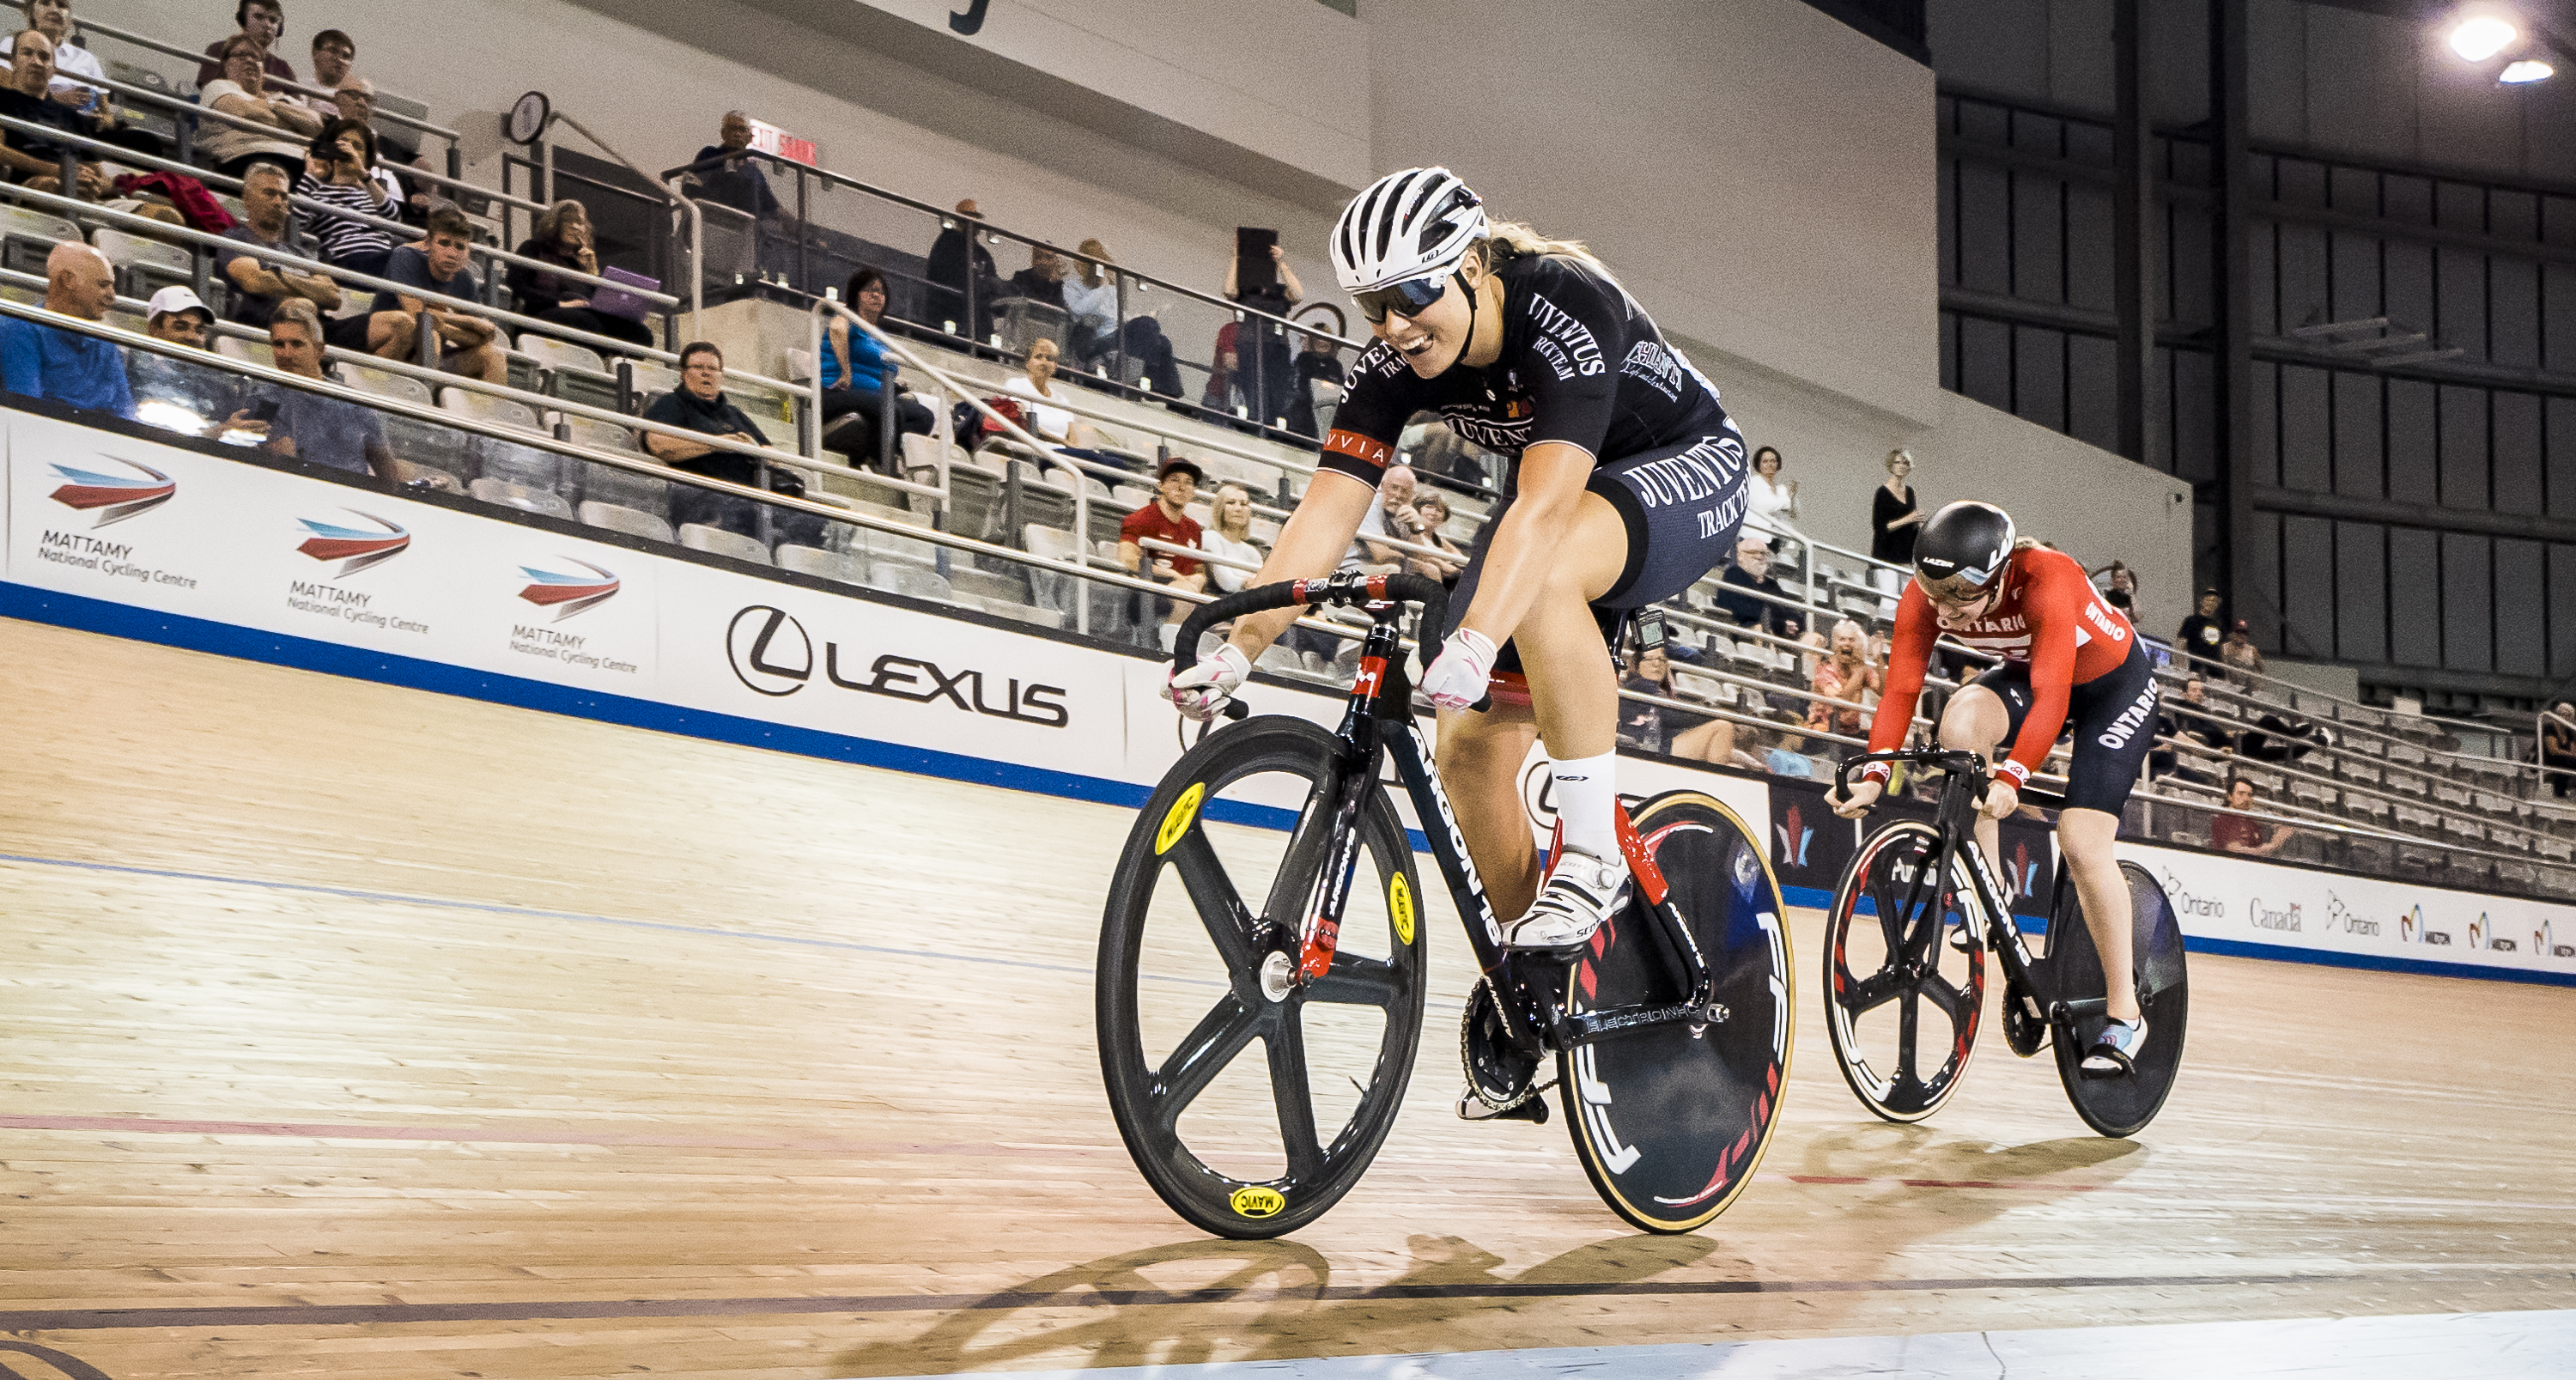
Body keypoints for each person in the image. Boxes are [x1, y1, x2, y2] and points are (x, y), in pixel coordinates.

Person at [1166, 166, 1752, 957]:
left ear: (1473, 267)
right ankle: (1530, 983)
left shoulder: (1565, 304)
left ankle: (1589, 853)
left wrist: (1476, 637)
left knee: (1538, 580)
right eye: (1373, 305)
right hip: (1565, 493)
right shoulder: (1389, 367)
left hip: (1682, 463)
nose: (1394, 324)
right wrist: (1242, 646)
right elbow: (1326, 512)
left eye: (1412, 294)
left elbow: (1542, 512)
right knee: (1466, 754)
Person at [1826, 502, 2164, 1078]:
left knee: (2081, 842)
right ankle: (1992, 894)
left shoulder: (2046, 578)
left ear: (2001, 575)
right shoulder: (1929, 594)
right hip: (2034, 671)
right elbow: (1902, 692)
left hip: (2113, 687)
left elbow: (2054, 697)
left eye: (1959, 601)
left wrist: (2014, 776)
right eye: (1935, 597)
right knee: (1959, 726)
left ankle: (2126, 1014)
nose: (1944, 611)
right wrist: (1875, 774)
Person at [641, 341, 809, 540]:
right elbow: (658, 444)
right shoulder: (671, 404)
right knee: (745, 512)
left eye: (712, 368)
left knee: (817, 523)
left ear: (721, 376)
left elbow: (769, 454)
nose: (706, 373)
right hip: (701, 496)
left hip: (750, 498)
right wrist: (720, 443)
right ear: (683, 373)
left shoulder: (734, 414)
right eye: (698, 367)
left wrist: (753, 449)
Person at [240, 297, 394, 477]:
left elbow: (387, 471)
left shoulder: (353, 403)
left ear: (319, 350)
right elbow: (280, 463)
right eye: (279, 344)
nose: (286, 353)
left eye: (297, 344)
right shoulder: (262, 399)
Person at [369, 203, 505, 384]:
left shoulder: (464, 277)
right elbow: (418, 318)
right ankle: (423, 406)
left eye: (459, 247)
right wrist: (460, 324)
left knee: (494, 355)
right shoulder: (405, 257)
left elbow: (484, 334)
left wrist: (443, 325)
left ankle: (490, 412)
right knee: (429, 336)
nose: (452, 253)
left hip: (436, 355)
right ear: (428, 243)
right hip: (394, 348)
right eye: (444, 243)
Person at [816, 265, 933, 469]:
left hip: (874, 399)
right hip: (835, 392)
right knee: (891, 410)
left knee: (924, 416)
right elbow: (836, 330)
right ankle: (882, 464)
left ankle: (875, 455)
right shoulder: (847, 318)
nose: (876, 296)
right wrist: (845, 371)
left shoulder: (880, 335)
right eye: (870, 290)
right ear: (856, 295)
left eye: (881, 292)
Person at [0, 240, 131, 416]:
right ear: (68, 280)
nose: (111, 296)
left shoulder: (105, 341)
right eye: (103, 285)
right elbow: (26, 409)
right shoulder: (21, 329)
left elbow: (126, 409)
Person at [505, 198, 653, 350]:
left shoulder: (580, 264)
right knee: (589, 323)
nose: (575, 227)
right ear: (555, 224)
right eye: (569, 221)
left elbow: (598, 303)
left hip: (585, 316)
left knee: (640, 333)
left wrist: (593, 273)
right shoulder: (533, 248)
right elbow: (517, 286)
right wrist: (559, 303)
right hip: (541, 313)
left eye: (580, 223)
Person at [197, 33, 321, 179]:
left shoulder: (282, 98)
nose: (250, 60)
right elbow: (244, 113)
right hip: (249, 158)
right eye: (241, 55)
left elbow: (316, 127)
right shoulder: (218, 86)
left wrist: (274, 105)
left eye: (256, 57)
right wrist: (295, 125)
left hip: (304, 163)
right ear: (226, 64)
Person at [125, 284, 241, 435]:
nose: (192, 337)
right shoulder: (132, 369)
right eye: (180, 327)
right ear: (154, 329)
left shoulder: (216, 380)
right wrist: (216, 432)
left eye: (199, 331)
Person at [1000, 337, 1122, 479]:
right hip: (1039, 452)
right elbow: (1024, 424)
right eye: (1038, 357)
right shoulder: (1015, 385)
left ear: (1055, 365)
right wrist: (1061, 442)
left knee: (1118, 461)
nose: (1044, 362)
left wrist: (1067, 445)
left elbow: (1073, 440)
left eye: (1050, 358)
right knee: (1099, 461)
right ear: (1028, 363)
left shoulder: (1062, 400)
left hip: (1064, 455)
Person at [1117, 458, 1206, 648]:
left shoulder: (1193, 528)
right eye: (1174, 480)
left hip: (1186, 591)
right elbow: (1128, 560)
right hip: (1146, 591)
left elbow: (1199, 569)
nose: (1181, 487)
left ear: (1193, 493)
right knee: (1185, 594)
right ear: (1161, 485)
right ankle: (1171, 650)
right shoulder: (1141, 519)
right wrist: (1171, 574)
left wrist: (1199, 578)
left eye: (1188, 482)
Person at [294, 119, 398, 276]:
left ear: (366, 160)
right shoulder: (318, 193)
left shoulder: (375, 193)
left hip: (382, 262)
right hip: (346, 262)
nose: (348, 149)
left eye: (357, 147)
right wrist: (310, 176)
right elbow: (294, 231)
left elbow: (394, 219)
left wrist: (363, 174)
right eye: (343, 142)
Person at [1218, 239, 1304, 427]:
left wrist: (1282, 263)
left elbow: (1298, 294)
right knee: (1254, 394)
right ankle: (1255, 429)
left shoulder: (1280, 291)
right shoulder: (1248, 290)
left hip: (1278, 348)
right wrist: (1237, 257)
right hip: (1251, 346)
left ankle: (1272, 432)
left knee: (1277, 397)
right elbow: (1229, 290)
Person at [684, 110, 782, 222]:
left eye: (741, 130)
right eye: (732, 129)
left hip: (744, 228)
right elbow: (695, 187)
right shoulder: (709, 154)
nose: (737, 134)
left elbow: (772, 206)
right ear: (723, 134)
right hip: (712, 220)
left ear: (750, 137)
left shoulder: (754, 172)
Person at [925, 198, 999, 343]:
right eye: (971, 216)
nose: (974, 222)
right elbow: (947, 278)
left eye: (977, 218)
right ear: (960, 218)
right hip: (950, 318)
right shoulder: (946, 243)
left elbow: (992, 287)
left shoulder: (983, 254)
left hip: (978, 325)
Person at [1806, 617, 1882, 750]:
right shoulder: (1825, 670)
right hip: (1823, 736)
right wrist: (1861, 671)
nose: (1847, 644)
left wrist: (1878, 659)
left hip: (1852, 735)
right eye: (1842, 639)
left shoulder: (1858, 668)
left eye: (1851, 640)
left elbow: (1882, 690)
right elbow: (1841, 703)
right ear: (1834, 643)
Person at [1715, 533, 1802, 640]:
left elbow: (1787, 609)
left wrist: (1793, 622)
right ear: (1740, 556)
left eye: (1764, 553)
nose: (1760, 557)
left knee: (1815, 638)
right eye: (1754, 552)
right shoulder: (1734, 575)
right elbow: (1745, 612)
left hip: (1780, 632)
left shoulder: (1771, 584)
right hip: (1747, 632)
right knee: (1760, 630)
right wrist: (1781, 625)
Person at [195, 0, 295, 88]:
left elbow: (296, 104)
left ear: (279, 29)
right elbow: (211, 89)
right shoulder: (219, 50)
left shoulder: (284, 69)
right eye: (259, 17)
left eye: (273, 20)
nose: (267, 25)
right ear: (243, 21)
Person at [1871, 447, 1919, 611]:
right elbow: (1880, 527)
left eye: (1905, 463)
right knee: (1889, 602)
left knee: (1909, 602)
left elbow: (1913, 526)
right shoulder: (1883, 493)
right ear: (1891, 465)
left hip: (1905, 555)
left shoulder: (1910, 492)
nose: (1901, 466)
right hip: (1886, 554)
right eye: (1898, 462)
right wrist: (1908, 519)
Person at [1200, 482, 1267, 595]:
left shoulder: (1252, 552)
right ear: (1220, 508)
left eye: (1243, 504)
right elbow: (1224, 580)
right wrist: (1245, 583)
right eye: (1231, 503)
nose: (1238, 509)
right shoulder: (1210, 537)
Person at [1061, 239, 1119, 368]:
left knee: (1152, 332)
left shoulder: (1110, 290)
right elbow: (1078, 311)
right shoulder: (1071, 286)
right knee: (1087, 326)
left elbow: (1113, 319)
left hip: (1110, 337)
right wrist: (1102, 288)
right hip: (1086, 338)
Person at [2210, 778, 2295, 856]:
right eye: (2241, 793)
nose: (2246, 798)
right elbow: (2235, 850)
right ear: (2230, 796)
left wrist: (2280, 834)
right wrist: (2273, 845)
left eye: (2250, 795)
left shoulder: (2250, 820)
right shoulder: (2225, 818)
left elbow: (2257, 845)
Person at [1412, 491, 1470, 584]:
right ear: (1418, 509)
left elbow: (1462, 560)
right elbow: (1419, 555)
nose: (1433, 513)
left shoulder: (1439, 540)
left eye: (1439, 510)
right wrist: (1444, 565)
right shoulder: (1413, 531)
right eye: (1429, 507)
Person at [1746, 445, 1799, 538]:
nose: (1770, 464)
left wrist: (1793, 495)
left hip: (1777, 540)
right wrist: (1786, 500)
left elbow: (1794, 515)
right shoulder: (1753, 482)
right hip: (1755, 536)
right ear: (1759, 465)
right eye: (1765, 461)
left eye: (1773, 461)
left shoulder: (1781, 489)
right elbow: (1762, 505)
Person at [296, 27, 352, 116]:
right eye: (333, 51)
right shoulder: (299, 86)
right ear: (315, 54)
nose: (339, 59)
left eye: (346, 56)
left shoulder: (355, 98)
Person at [2176, 589, 2225, 668]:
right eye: (2209, 600)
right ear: (2201, 601)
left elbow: (2220, 650)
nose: (2211, 603)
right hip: (2195, 667)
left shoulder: (2218, 625)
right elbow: (2181, 644)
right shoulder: (2191, 621)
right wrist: (2179, 667)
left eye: (2214, 601)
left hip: (2214, 670)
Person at [2543, 702, 2575, 799]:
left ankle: (2567, 793)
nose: (2567, 718)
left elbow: (2573, 749)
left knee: (2569, 762)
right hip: (2550, 757)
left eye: (2569, 715)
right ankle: (2559, 793)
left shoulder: (2568, 731)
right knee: (2566, 763)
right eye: (2565, 715)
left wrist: (2571, 754)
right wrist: (2570, 754)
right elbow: (2553, 750)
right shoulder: (2550, 728)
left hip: (2564, 757)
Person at [2220, 618, 2264, 688]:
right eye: (2238, 632)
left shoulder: (2252, 650)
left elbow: (2261, 670)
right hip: (2229, 686)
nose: (2241, 635)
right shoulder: (2224, 648)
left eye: (2244, 633)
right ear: (2232, 634)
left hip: (2248, 686)